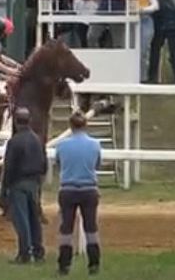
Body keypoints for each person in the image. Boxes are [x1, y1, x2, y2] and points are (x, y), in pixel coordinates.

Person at [55, 111, 102, 276]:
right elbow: (97, 165)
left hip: (68, 189)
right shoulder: (95, 144)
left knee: (66, 228)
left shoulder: (61, 145)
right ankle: (94, 263)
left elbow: (58, 164)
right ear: (85, 125)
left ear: (71, 126)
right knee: (91, 227)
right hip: (89, 189)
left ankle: (64, 264)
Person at [1, 107, 47, 265]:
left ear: (16, 121)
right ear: (29, 121)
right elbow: (44, 163)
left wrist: (5, 187)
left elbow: (9, 166)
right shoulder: (38, 139)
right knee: (35, 218)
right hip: (34, 182)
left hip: (18, 183)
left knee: (22, 220)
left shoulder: (14, 141)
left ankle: (24, 253)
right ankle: (38, 251)